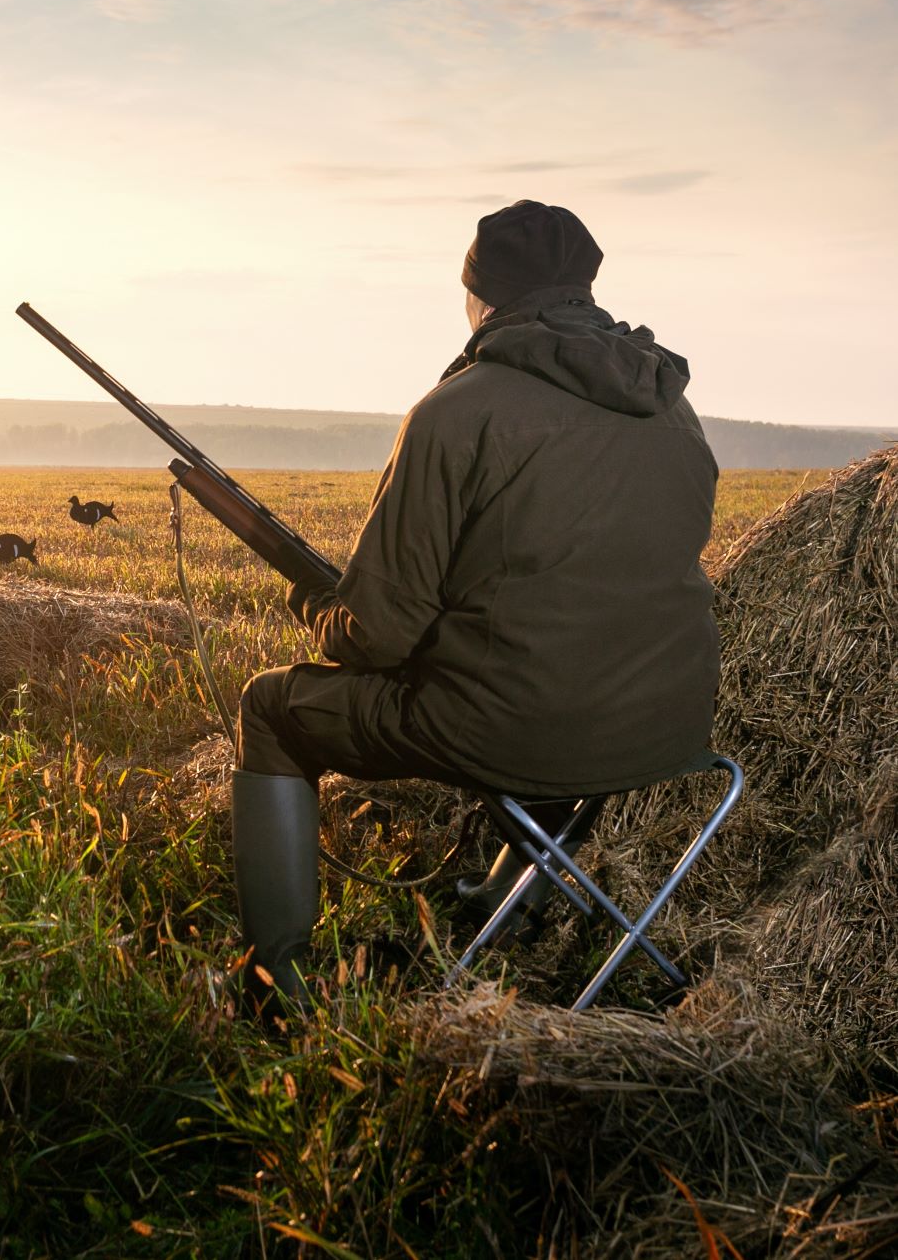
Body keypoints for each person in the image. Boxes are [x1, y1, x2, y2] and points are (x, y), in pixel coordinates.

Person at [233, 199, 720, 1010]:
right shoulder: (674, 405)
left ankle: (271, 981)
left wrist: (317, 602)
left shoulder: (453, 413)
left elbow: (377, 635)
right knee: (559, 681)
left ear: (480, 299)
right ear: (584, 291)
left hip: (525, 733)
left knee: (272, 708)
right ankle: (507, 904)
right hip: (668, 728)